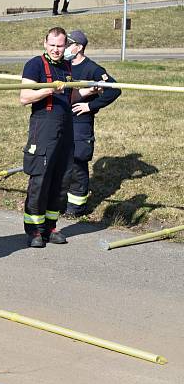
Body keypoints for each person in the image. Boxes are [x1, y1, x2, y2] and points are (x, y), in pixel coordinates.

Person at [19, 26, 95, 248]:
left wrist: (91, 91)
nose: (55, 50)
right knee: (40, 180)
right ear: (45, 44)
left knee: (62, 179)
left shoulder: (66, 65)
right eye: (52, 45)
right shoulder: (34, 65)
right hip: (44, 128)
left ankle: (50, 227)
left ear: (66, 47)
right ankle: (34, 230)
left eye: (59, 46)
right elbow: (24, 97)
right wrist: (49, 90)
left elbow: (70, 96)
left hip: (65, 128)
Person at [63, 30, 121, 217]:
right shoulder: (64, 66)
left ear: (79, 48)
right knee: (63, 161)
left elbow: (114, 90)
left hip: (81, 123)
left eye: (68, 44)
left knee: (78, 162)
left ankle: (77, 207)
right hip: (63, 120)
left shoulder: (93, 69)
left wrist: (90, 105)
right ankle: (62, 202)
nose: (64, 48)